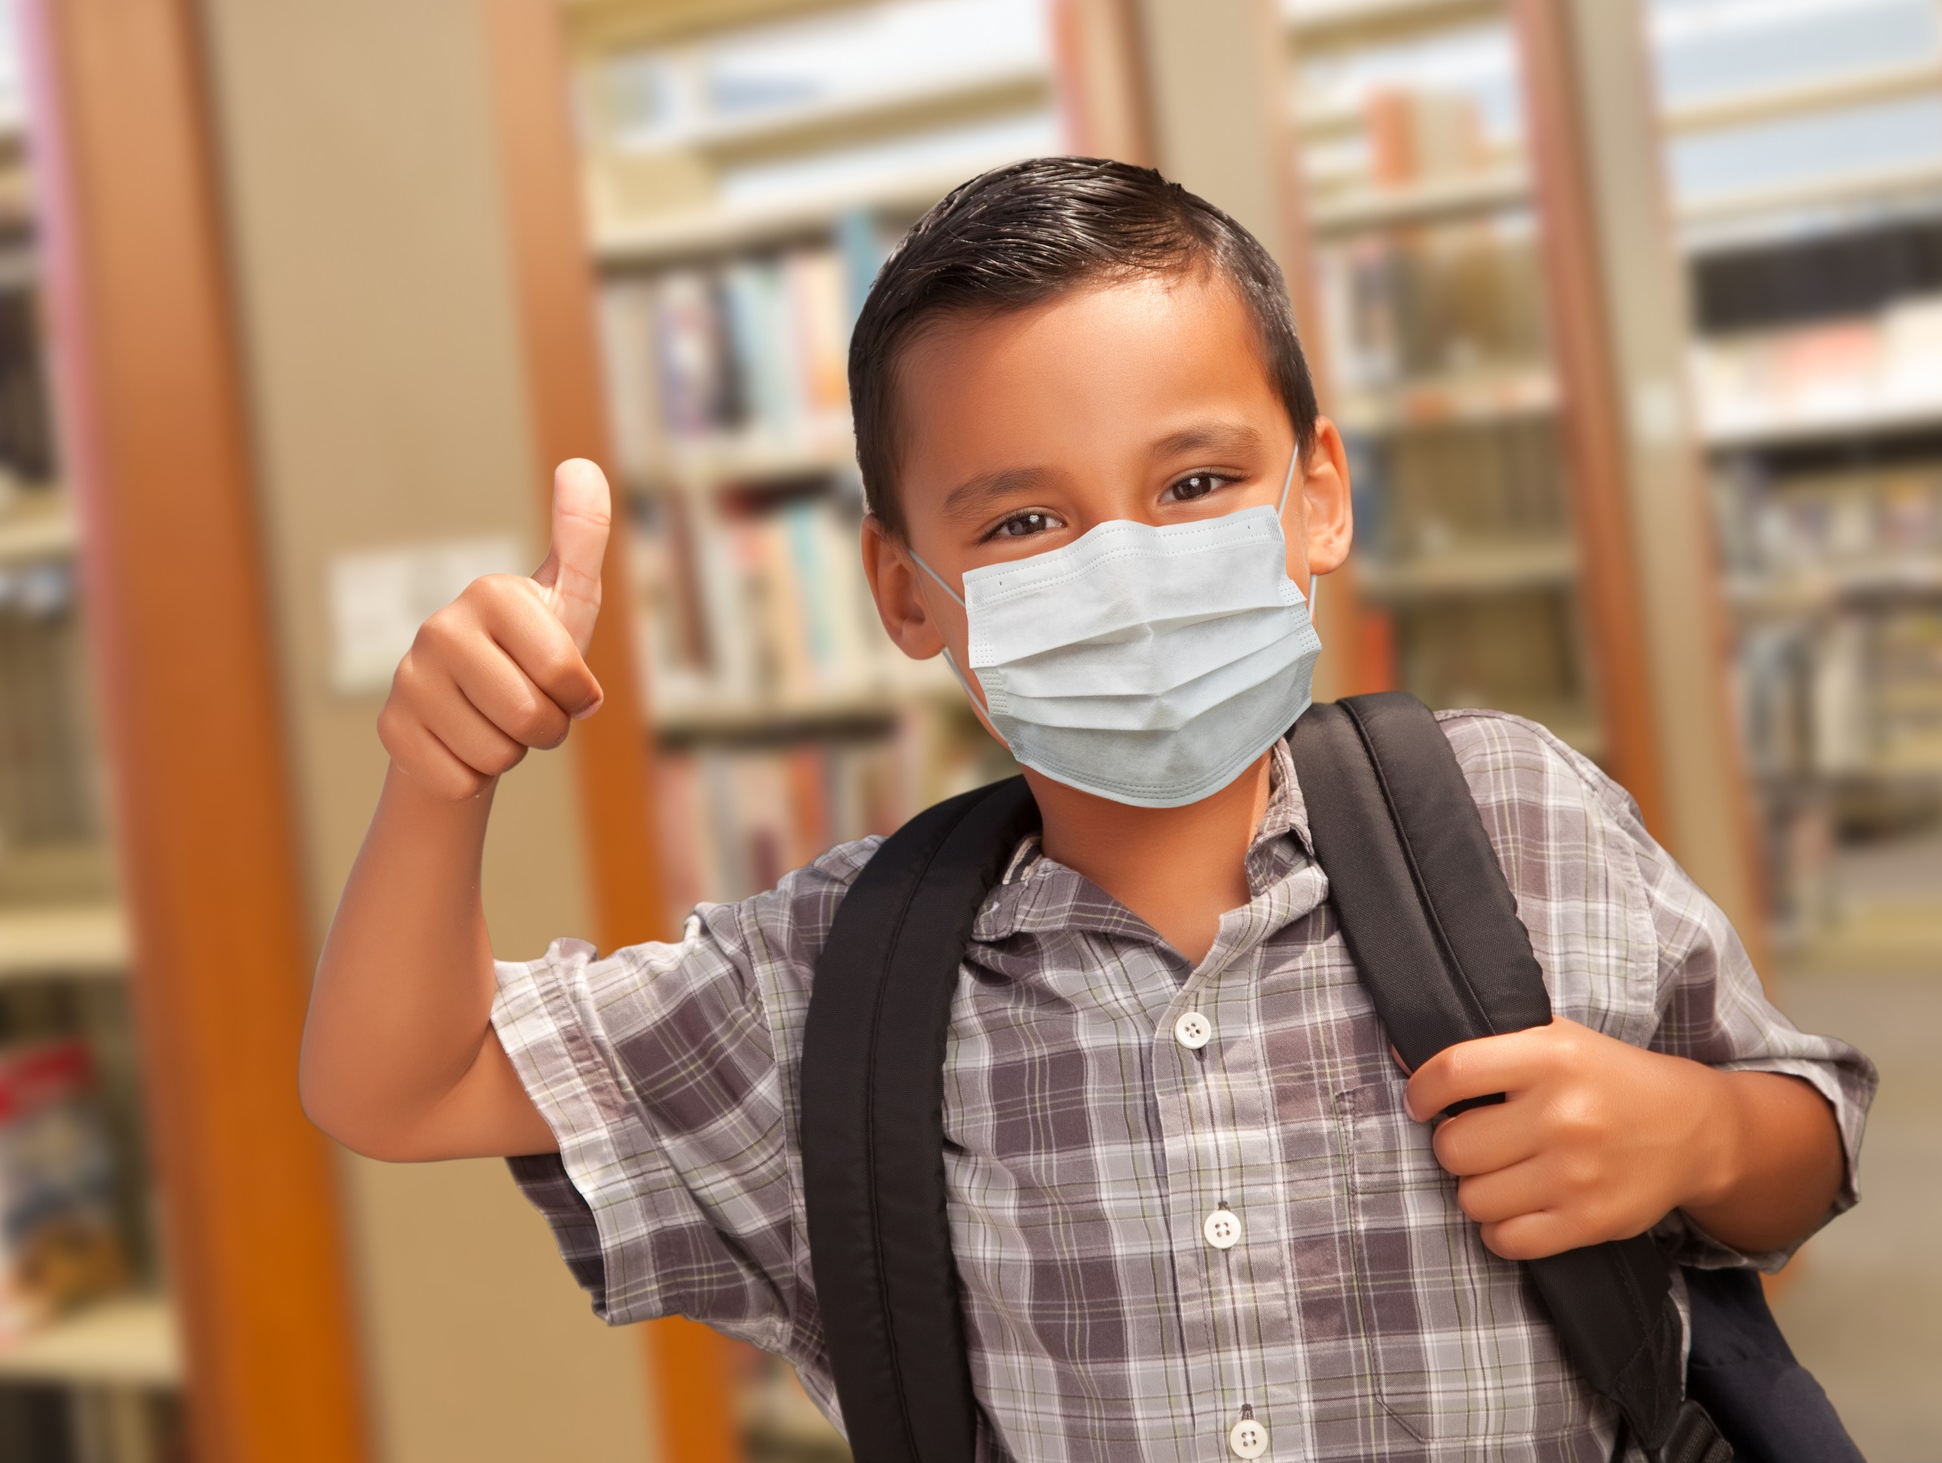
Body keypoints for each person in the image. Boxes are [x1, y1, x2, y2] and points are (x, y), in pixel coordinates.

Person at [301, 158, 1875, 1460]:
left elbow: (1800, 1146)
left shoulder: (1510, 812)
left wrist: (1696, 1131)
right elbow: (403, 1086)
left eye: (1193, 484)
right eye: (1025, 520)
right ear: (905, 594)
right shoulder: (830, 980)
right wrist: (441, 782)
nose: (1122, 570)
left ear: (1314, 493)